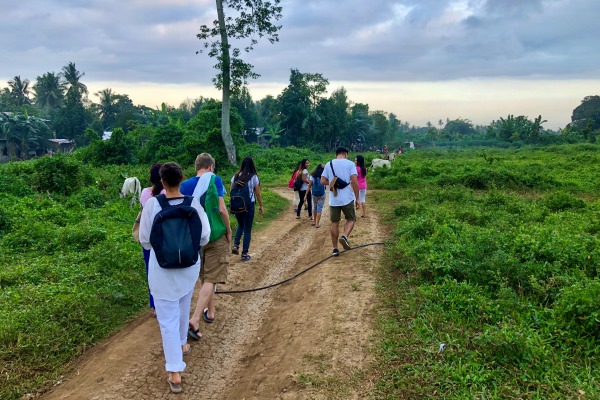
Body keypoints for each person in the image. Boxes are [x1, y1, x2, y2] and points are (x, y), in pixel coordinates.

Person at [139, 162, 210, 393]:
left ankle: (175, 371)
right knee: (182, 306)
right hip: (188, 268)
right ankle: (182, 344)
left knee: (167, 318)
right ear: (181, 179)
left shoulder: (152, 205)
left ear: (162, 180)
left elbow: (145, 240)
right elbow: (204, 237)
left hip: (162, 270)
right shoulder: (193, 204)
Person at [180, 153, 232, 341]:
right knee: (212, 276)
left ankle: (210, 311)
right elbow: (221, 209)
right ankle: (194, 319)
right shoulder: (215, 180)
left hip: (196, 238)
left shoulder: (185, 185)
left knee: (205, 275)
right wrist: (228, 230)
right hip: (215, 235)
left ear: (197, 167)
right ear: (210, 166)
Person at [321, 147, 360, 256]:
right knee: (351, 219)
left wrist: (333, 182)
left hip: (334, 199)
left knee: (334, 223)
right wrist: (357, 198)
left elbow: (322, 180)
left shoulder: (329, 164)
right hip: (347, 198)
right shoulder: (350, 164)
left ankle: (335, 249)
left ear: (336, 154)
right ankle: (344, 236)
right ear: (346, 154)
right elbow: (355, 181)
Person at [139, 163, 166, 317]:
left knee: (151, 272)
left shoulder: (144, 193)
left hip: (148, 239)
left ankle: (155, 306)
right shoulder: (166, 192)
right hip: (164, 238)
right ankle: (166, 301)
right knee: (166, 270)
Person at [230, 156, 263, 261]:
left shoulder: (235, 176)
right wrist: (261, 206)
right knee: (247, 229)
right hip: (249, 205)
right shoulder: (253, 177)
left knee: (240, 225)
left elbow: (231, 191)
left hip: (237, 205)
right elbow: (257, 193)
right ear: (252, 165)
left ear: (242, 165)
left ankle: (235, 245)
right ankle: (244, 254)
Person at [306, 163, 326, 228]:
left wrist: (305, 195)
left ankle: (314, 221)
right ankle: (317, 223)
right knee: (319, 208)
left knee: (315, 207)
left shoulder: (312, 176)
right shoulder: (323, 175)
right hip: (322, 194)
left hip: (314, 194)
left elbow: (309, 185)